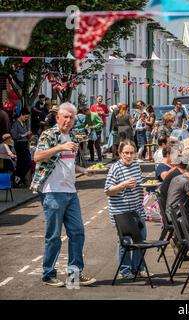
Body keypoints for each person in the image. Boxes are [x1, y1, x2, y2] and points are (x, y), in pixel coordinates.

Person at [31, 102, 96, 287]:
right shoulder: (49, 134)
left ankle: (74, 275)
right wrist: (60, 147)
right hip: (53, 192)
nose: (68, 120)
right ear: (58, 117)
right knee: (54, 236)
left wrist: (83, 170)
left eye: (71, 117)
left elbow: (67, 163)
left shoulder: (73, 136)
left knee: (77, 232)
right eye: (65, 117)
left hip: (70, 191)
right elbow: (37, 157)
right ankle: (48, 275)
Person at [104, 139, 149, 280]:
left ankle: (138, 268)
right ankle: (124, 270)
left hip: (137, 210)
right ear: (120, 153)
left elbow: (139, 183)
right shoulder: (115, 168)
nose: (129, 156)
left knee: (141, 238)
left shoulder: (136, 165)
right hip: (121, 212)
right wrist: (123, 185)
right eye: (126, 153)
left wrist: (148, 187)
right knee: (125, 241)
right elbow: (108, 190)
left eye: (132, 153)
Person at [11, 108, 32, 187]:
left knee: (22, 164)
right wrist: (25, 134)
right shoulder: (15, 123)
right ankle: (16, 177)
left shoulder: (24, 123)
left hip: (25, 144)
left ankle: (17, 179)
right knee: (27, 162)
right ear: (21, 115)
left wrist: (28, 135)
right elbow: (14, 136)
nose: (26, 119)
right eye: (25, 117)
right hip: (19, 145)